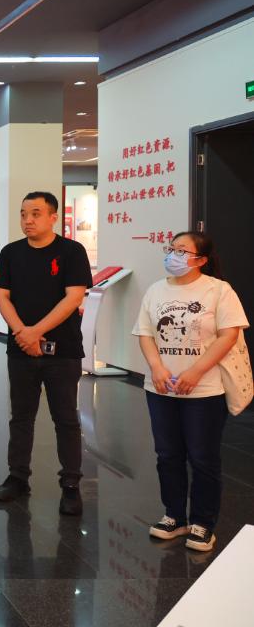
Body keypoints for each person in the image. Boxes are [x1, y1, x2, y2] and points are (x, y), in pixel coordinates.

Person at [133, 232, 248, 552]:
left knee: (202, 457)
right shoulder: (156, 290)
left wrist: (196, 371)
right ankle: (174, 515)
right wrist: (156, 368)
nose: (173, 255)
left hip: (205, 390)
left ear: (201, 259)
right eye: (171, 249)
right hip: (161, 388)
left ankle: (203, 523)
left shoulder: (219, 290)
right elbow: (145, 334)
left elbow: (229, 335)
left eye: (182, 251)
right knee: (167, 454)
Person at [0, 191, 92, 516]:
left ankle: (71, 484)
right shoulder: (10, 252)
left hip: (63, 351)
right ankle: (18, 477)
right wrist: (23, 332)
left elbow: (73, 298)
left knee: (66, 418)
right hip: (21, 350)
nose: (28, 220)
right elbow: (2, 297)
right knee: (21, 416)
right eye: (23, 214)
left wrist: (35, 332)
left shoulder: (71, 251)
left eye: (35, 213)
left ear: (53, 217)